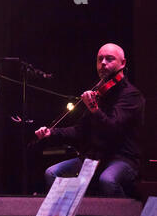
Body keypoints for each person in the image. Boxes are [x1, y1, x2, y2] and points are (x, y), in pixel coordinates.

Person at [35, 43, 145, 197]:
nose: (103, 63)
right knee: (52, 173)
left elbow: (113, 129)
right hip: (95, 157)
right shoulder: (99, 93)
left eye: (109, 59)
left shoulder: (131, 95)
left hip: (121, 158)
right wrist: (51, 133)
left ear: (123, 63)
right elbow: (80, 130)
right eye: (100, 59)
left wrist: (95, 109)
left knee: (108, 180)